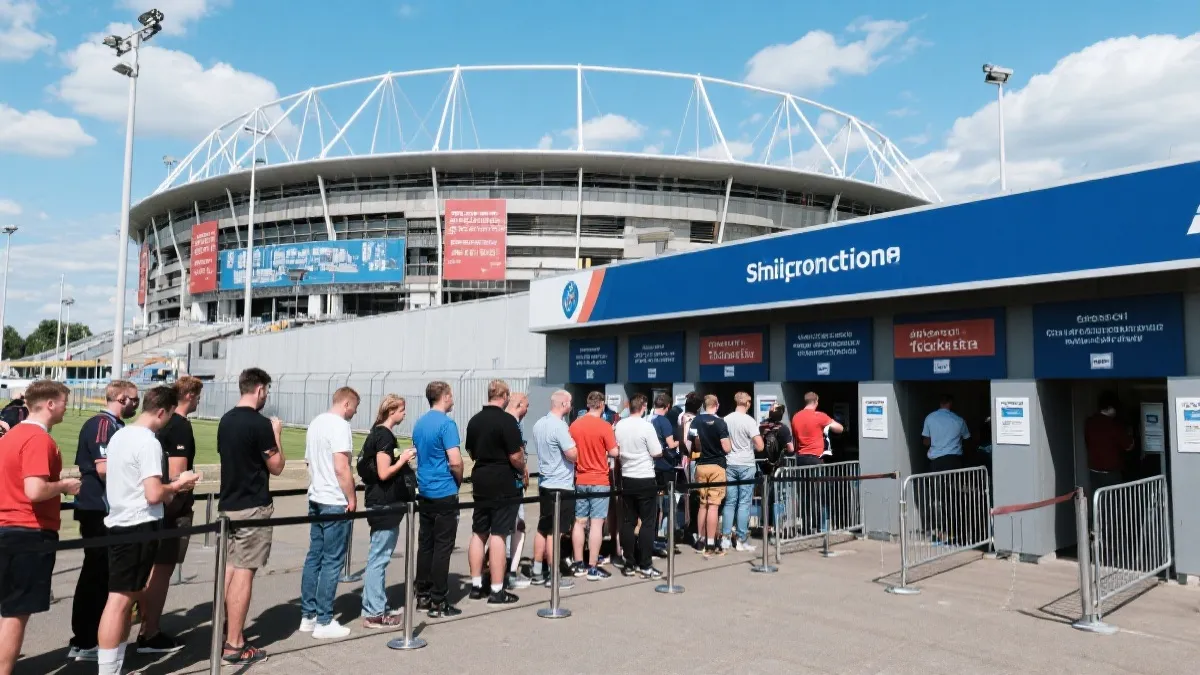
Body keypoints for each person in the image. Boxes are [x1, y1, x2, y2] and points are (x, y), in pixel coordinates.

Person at [96, 386, 200, 675]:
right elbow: (155, 493)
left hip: (119, 520)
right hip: (137, 524)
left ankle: (113, 665)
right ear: (163, 411)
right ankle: (108, 669)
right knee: (119, 601)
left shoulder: (120, 435)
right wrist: (179, 485)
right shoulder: (148, 441)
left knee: (122, 598)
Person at [0, 380, 79, 675]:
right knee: (15, 613)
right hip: (28, 531)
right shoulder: (37, 439)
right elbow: (34, 490)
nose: (66, 407)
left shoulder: (11, 436)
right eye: (63, 402)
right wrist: (67, 485)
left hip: (9, 526)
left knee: (9, 609)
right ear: (49, 404)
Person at [217, 367, 285, 666]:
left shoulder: (226, 420)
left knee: (231, 568)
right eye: (266, 391)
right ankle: (234, 643)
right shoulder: (260, 424)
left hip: (229, 502)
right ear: (259, 389)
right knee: (244, 571)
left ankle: (227, 630)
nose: (266, 396)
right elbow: (277, 466)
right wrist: (277, 436)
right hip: (252, 505)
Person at [68, 379, 139, 663]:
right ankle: (84, 640)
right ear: (121, 398)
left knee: (103, 574)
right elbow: (104, 469)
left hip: (106, 509)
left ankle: (93, 636)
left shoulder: (117, 426)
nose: (136, 403)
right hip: (98, 510)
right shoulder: (102, 424)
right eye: (134, 398)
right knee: (96, 574)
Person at [137, 375, 203, 654]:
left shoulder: (164, 424)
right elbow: (178, 473)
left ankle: (146, 627)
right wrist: (176, 503)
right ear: (189, 396)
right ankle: (150, 632)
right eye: (198, 396)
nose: (200, 401)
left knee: (150, 572)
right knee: (161, 572)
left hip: (154, 506)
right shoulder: (179, 426)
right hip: (169, 510)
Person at [300, 387, 360, 639]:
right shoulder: (339, 426)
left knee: (315, 557)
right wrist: (352, 496)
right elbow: (341, 466)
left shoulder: (315, 423)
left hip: (316, 496)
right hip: (334, 499)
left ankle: (309, 616)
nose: (354, 414)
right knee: (332, 560)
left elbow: (308, 462)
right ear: (346, 404)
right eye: (354, 408)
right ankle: (324, 620)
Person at [464, 380, 524, 605]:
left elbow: (470, 450)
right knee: (499, 533)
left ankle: (476, 585)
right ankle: (497, 589)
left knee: (479, 531)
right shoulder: (507, 421)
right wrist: (523, 468)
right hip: (502, 479)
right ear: (505, 395)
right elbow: (515, 456)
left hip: (481, 477)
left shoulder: (474, 420)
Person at [359, 394, 414, 629]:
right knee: (379, 558)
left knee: (378, 555)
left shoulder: (376, 433)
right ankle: (374, 612)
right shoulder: (384, 436)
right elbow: (383, 472)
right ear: (392, 411)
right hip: (384, 503)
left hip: (379, 502)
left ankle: (373, 605)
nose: (404, 414)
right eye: (402, 410)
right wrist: (402, 460)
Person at [413, 381, 464, 618]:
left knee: (426, 544)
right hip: (443, 490)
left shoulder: (420, 423)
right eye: (451, 396)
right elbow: (455, 459)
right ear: (444, 397)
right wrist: (458, 479)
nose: (452, 399)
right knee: (443, 547)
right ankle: (438, 599)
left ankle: (422, 593)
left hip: (425, 489)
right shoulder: (447, 424)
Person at [614, 393, 664, 578]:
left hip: (627, 476)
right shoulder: (646, 426)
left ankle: (629, 563)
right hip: (645, 476)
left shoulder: (620, 425)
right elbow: (657, 452)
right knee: (648, 522)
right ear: (643, 407)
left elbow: (616, 449)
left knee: (628, 521)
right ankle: (645, 564)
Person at [530, 390, 577, 586]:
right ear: (564, 404)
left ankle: (537, 570)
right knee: (555, 532)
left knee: (543, 527)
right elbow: (572, 454)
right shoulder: (559, 426)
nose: (571, 406)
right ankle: (553, 574)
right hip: (561, 485)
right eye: (570, 403)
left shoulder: (539, 424)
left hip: (545, 483)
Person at [569, 391, 617, 581]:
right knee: (597, 523)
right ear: (602, 405)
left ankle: (578, 562)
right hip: (599, 479)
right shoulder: (605, 426)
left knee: (579, 522)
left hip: (580, 478)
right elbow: (613, 451)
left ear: (588, 404)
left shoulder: (574, 425)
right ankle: (592, 565)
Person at [920, 395, 970, 543]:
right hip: (954, 462)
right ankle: (956, 532)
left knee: (937, 498)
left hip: (936, 463)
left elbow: (926, 441)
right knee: (954, 498)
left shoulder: (930, 418)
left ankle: (941, 531)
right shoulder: (959, 420)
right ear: (950, 403)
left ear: (940, 402)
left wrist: (936, 441)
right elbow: (967, 439)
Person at [721, 392, 763, 552]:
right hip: (746, 463)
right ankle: (741, 539)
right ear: (748, 403)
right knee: (744, 503)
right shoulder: (749, 421)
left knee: (730, 502)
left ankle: (725, 538)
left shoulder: (726, 419)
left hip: (730, 463)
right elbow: (760, 446)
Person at [692, 395, 731, 558]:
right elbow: (727, 447)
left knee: (702, 504)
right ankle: (710, 543)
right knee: (713, 505)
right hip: (717, 465)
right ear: (717, 405)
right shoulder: (721, 422)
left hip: (701, 465)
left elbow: (695, 443)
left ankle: (700, 539)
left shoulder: (696, 421)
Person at [505, 393, 532, 588]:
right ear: (519, 404)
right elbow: (515, 456)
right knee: (517, 528)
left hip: (499, 484)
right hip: (511, 485)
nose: (528, 409)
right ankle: (510, 572)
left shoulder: (508, 423)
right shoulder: (510, 424)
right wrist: (523, 469)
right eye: (527, 405)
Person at [1085, 391, 1135, 493]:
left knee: (1098, 503)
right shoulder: (1114, 425)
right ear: (1111, 408)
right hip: (1111, 474)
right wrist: (1131, 435)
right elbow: (1129, 446)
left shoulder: (1089, 422)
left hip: (1094, 473)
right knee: (1113, 505)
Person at [649, 394, 680, 545]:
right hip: (664, 465)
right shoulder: (664, 421)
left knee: (653, 503)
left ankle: (652, 535)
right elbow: (670, 443)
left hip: (649, 466)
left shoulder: (648, 419)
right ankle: (668, 536)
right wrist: (679, 441)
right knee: (668, 502)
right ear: (667, 407)